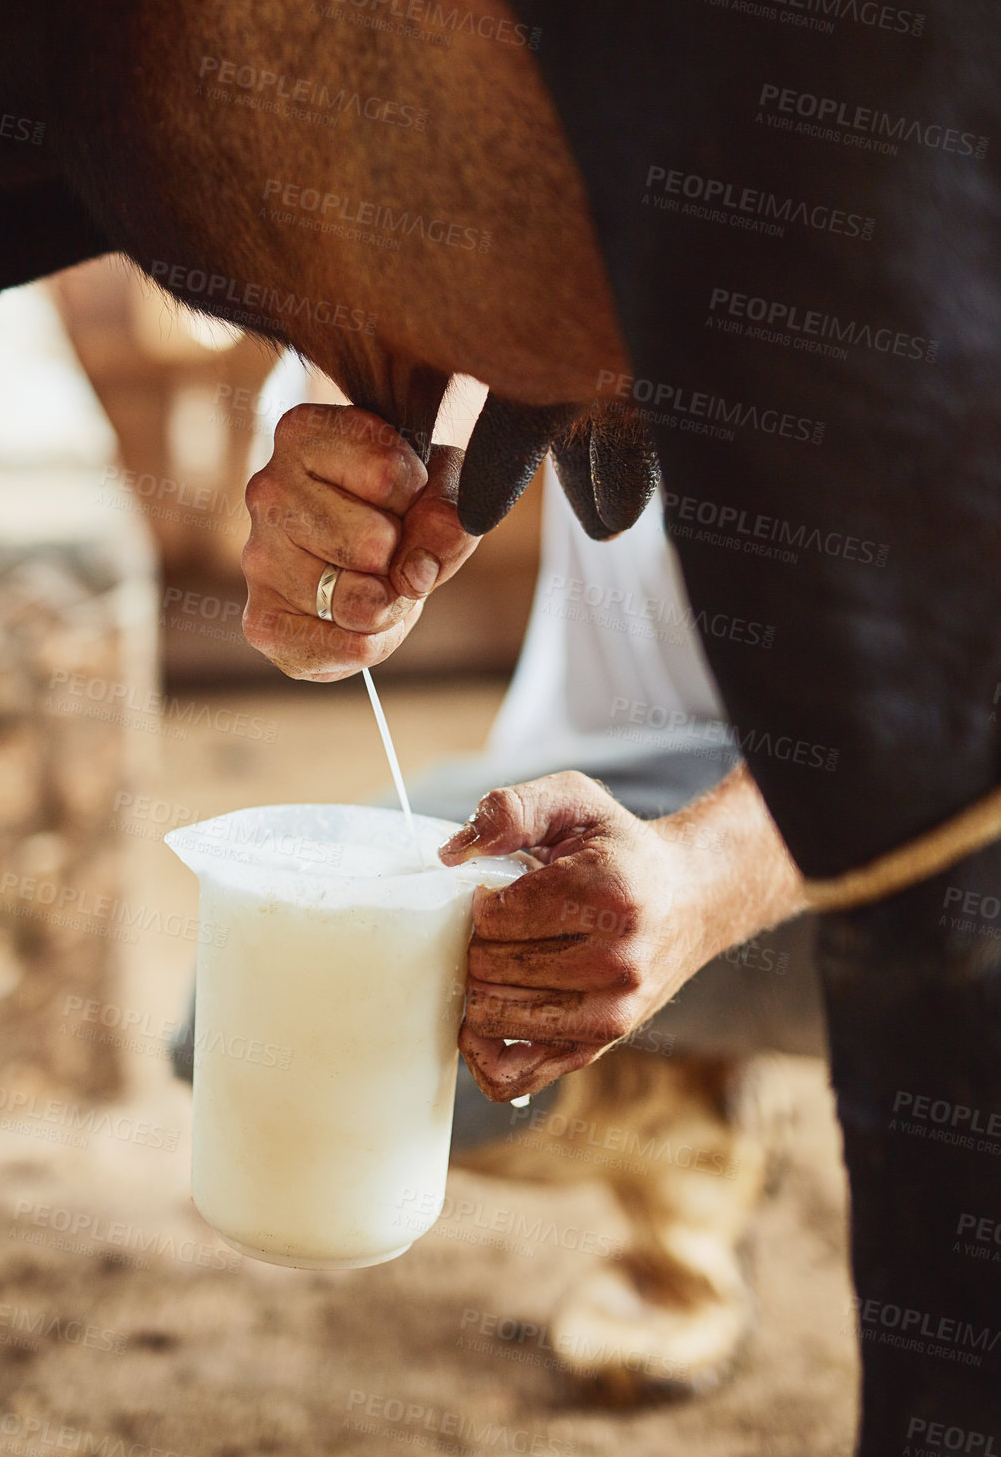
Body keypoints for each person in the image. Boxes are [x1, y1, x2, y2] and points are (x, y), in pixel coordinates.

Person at [226, 385, 827, 1398]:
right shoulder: (561, 235)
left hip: (935, 806)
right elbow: (345, 423)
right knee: (280, 1022)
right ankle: (685, 1133)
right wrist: (329, 516)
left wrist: (706, 882)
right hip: (631, 758)